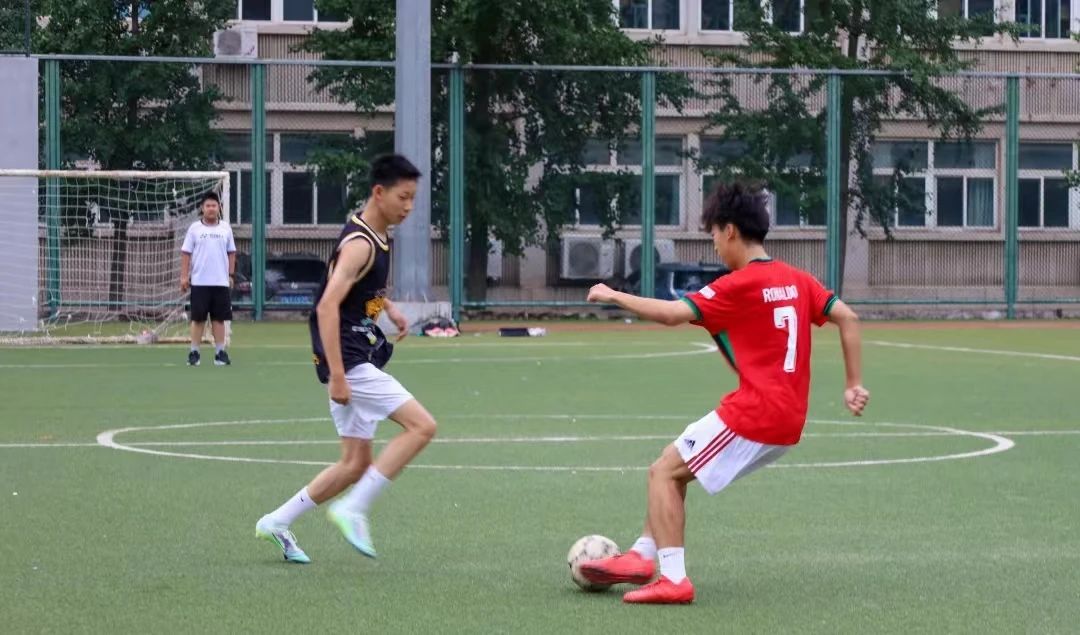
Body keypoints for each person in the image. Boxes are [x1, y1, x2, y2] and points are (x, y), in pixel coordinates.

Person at [579, 182, 870, 604]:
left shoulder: (739, 285)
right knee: (672, 463)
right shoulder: (797, 280)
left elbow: (673, 314)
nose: (714, 245)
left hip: (756, 413)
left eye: (714, 234)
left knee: (663, 473)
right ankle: (642, 555)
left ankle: (673, 580)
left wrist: (613, 295)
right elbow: (849, 317)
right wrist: (853, 383)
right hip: (787, 417)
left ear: (730, 230)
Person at [255, 155, 438, 564]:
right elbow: (326, 305)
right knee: (422, 426)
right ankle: (354, 509)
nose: (409, 207)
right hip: (349, 360)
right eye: (403, 197)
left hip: (353, 355)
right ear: (379, 192)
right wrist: (338, 375)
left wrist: (389, 307)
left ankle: (276, 522)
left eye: (413, 198)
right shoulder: (361, 244)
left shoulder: (374, 233)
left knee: (355, 464)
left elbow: (357, 286)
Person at [180, 192, 235, 366]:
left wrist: (231, 275)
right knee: (198, 319)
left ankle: (220, 353)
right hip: (199, 282)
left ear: (219, 208)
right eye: (208, 206)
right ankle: (194, 352)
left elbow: (231, 252)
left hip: (220, 282)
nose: (211, 208)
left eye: (214, 205)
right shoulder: (194, 229)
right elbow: (186, 253)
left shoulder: (225, 228)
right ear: (202, 208)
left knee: (219, 319)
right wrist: (184, 276)